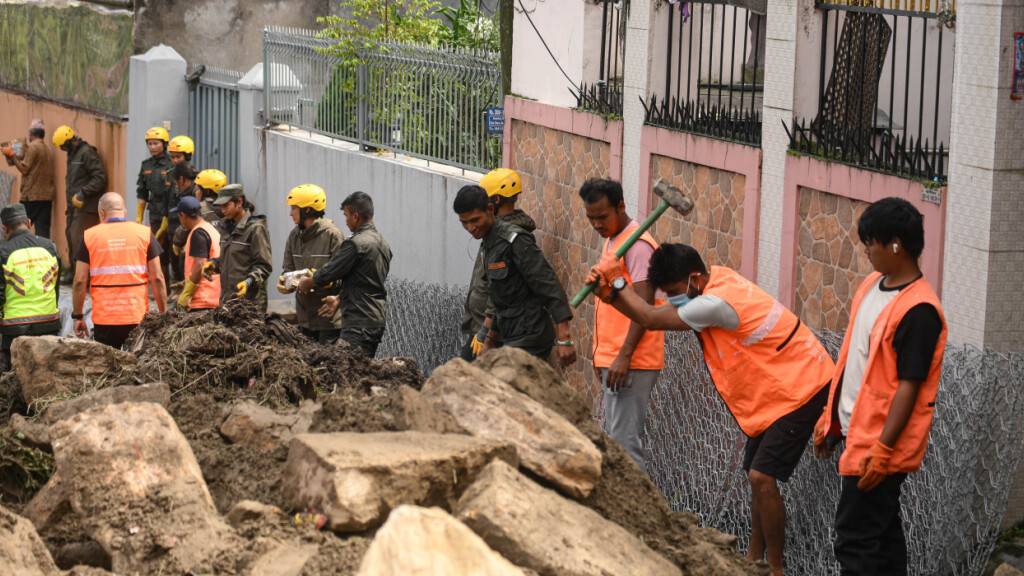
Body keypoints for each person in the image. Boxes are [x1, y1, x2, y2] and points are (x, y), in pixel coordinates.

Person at [587, 244, 834, 576]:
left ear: (694, 279)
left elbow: (650, 317)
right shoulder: (717, 279)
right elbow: (649, 311)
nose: (673, 298)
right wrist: (610, 294)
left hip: (804, 388)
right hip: (778, 391)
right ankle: (753, 560)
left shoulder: (715, 303)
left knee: (763, 477)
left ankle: (775, 568)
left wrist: (617, 284)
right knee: (755, 476)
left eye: (675, 292)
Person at [814, 197, 946, 576]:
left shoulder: (919, 311)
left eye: (872, 241)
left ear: (896, 245)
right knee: (882, 537)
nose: (866, 250)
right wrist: (832, 421)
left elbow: (909, 387)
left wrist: (884, 450)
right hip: (859, 434)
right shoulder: (873, 286)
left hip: (878, 447)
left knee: (855, 539)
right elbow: (855, 361)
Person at [578, 178, 664, 471]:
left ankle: (637, 515)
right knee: (614, 442)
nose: (597, 224)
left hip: (631, 361)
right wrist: (600, 354)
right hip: (614, 358)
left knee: (624, 447)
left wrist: (624, 355)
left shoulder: (638, 246)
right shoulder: (614, 239)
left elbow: (644, 306)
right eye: (591, 218)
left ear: (621, 206)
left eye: (602, 216)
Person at [453, 185, 576, 367]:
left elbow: (548, 285)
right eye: (464, 223)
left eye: (475, 220)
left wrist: (564, 338)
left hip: (530, 336)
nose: (471, 228)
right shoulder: (488, 242)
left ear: (490, 209)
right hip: (509, 334)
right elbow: (498, 297)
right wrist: (489, 338)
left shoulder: (515, 240)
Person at [297, 191, 391, 356]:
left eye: (346, 215)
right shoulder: (383, 243)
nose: (345, 221)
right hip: (375, 319)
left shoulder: (355, 244)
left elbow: (330, 271)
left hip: (358, 322)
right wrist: (339, 299)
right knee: (360, 370)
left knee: (346, 371)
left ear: (355, 216)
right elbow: (363, 281)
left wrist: (308, 282)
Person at [461, 168, 537, 361]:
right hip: (480, 328)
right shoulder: (490, 230)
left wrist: (486, 334)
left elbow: (499, 291)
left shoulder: (510, 239)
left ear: (495, 201)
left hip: (492, 336)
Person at [73, 193, 167, 349]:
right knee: (137, 365)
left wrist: (78, 316)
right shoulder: (144, 233)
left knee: (108, 367)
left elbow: (79, 281)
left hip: (105, 319)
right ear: (124, 211)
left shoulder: (89, 236)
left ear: (101, 212)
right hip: (137, 316)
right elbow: (157, 277)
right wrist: (163, 313)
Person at [279, 184, 345, 343]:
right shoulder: (294, 236)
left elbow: (344, 276)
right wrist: (286, 282)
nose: (290, 213)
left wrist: (318, 280)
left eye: (294, 208)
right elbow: (287, 270)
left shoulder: (333, 235)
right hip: (303, 320)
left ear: (306, 210)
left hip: (328, 322)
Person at [0, 204, 61, 370]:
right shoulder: (50, 247)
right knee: (47, 370)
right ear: (28, 222)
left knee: (12, 373)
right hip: (48, 322)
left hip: (13, 327)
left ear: (5, 228)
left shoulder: (3, 251)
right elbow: (56, 287)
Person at [53, 125, 107, 285]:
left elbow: (100, 177)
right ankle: (74, 271)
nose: (62, 149)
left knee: (79, 239)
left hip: (86, 206)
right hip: (74, 206)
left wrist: (83, 193)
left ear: (69, 141)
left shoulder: (87, 153)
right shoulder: (73, 153)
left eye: (63, 146)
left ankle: (85, 276)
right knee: (70, 235)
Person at [208, 184, 272, 310]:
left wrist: (249, 282)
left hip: (250, 304)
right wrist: (214, 264)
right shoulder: (225, 228)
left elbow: (264, 266)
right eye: (221, 206)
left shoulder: (255, 229)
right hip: (228, 301)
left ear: (239, 202)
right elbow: (230, 260)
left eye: (226, 205)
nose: (222, 210)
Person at [3, 120, 56, 239]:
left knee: (18, 226)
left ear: (31, 134)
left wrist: (12, 156)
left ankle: (16, 250)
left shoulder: (33, 147)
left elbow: (24, 169)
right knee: (43, 231)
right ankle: (43, 253)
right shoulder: (46, 149)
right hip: (46, 197)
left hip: (31, 196)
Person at [135, 126, 176, 282]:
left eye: (156, 143)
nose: (152, 147)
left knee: (174, 248)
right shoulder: (146, 165)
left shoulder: (172, 163)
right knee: (158, 249)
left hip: (172, 211)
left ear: (164, 144)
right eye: (150, 144)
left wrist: (168, 215)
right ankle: (162, 284)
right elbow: (142, 191)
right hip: (155, 212)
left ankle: (177, 282)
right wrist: (139, 216)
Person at [175, 196, 221, 311]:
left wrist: (186, 294)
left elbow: (200, 264)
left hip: (202, 299)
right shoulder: (210, 228)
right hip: (214, 295)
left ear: (182, 215)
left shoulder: (198, 233)